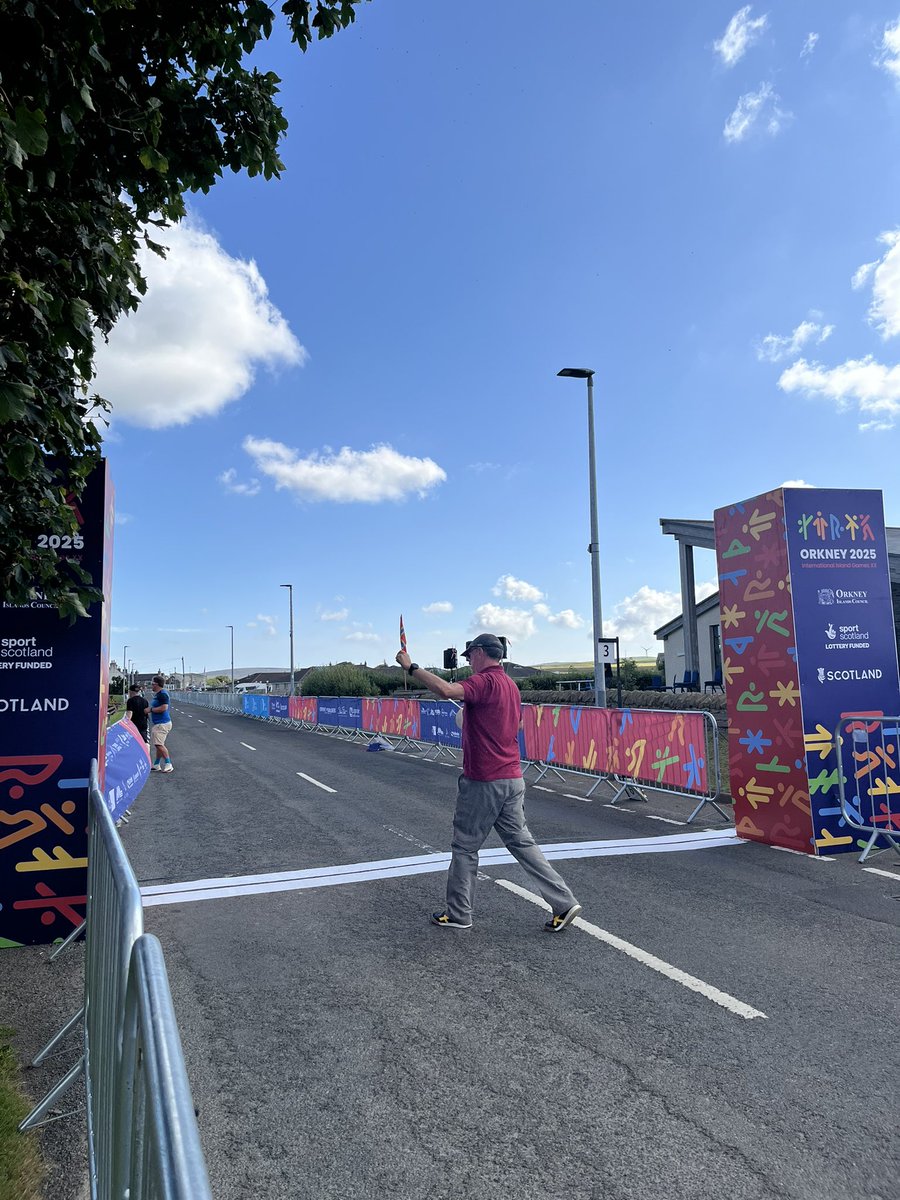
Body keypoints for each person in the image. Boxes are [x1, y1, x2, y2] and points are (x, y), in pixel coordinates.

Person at [396, 633, 581, 932]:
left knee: (465, 847)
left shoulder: (484, 682)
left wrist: (410, 667)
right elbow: (517, 724)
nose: (469, 661)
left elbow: (445, 690)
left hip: (484, 779)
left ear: (481, 653)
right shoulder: (510, 685)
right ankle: (563, 901)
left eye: (470, 656)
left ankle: (458, 914)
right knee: (522, 843)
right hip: (512, 776)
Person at [149, 674, 174, 772]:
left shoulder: (163, 694)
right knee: (159, 743)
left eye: (153, 684)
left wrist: (150, 710)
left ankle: (168, 764)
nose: (152, 686)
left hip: (162, 723)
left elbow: (164, 708)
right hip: (160, 723)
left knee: (159, 744)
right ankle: (156, 764)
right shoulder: (159, 694)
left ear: (157, 684)